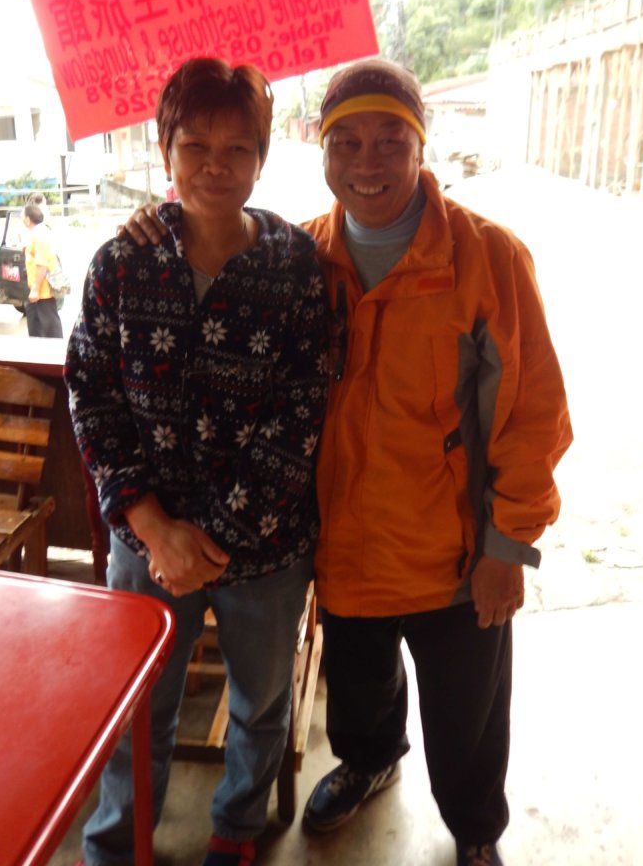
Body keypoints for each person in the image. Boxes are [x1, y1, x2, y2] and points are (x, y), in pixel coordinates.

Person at [123, 57, 573, 866]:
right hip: (348, 552)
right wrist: (148, 223)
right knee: (361, 700)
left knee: (467, 715)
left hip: (455, 555)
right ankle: (368, 765)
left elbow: (534, 416)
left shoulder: (487, 259)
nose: (368, 164)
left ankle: (475, 831)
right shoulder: (302, 257)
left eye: (389, 142)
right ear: (320, 151)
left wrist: (509, 548)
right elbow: (208, 235)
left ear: (421, 149)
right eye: (347, 142)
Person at [64, 57, 329, 866]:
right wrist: (153, 528)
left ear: (263, 153)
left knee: (258, 702)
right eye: (195, 145)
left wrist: (206, 542)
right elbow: (92, 396)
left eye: (238, 148)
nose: (215, 165)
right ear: (163, 147)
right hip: (146, 543)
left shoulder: (295, 271)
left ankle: (236, 830)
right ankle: (119, 840)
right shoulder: (121, 264)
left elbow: (302, 414)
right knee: (136, 704)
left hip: (264, 549)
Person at [22, 199, 63, 337]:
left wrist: (35, 289)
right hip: (39, 290)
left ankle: (53, 355)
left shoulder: (39, 234)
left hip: (42, 290)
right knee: (36, 325)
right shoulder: (40, 232)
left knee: (48, 327)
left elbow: (42, 264)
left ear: (28, 220)